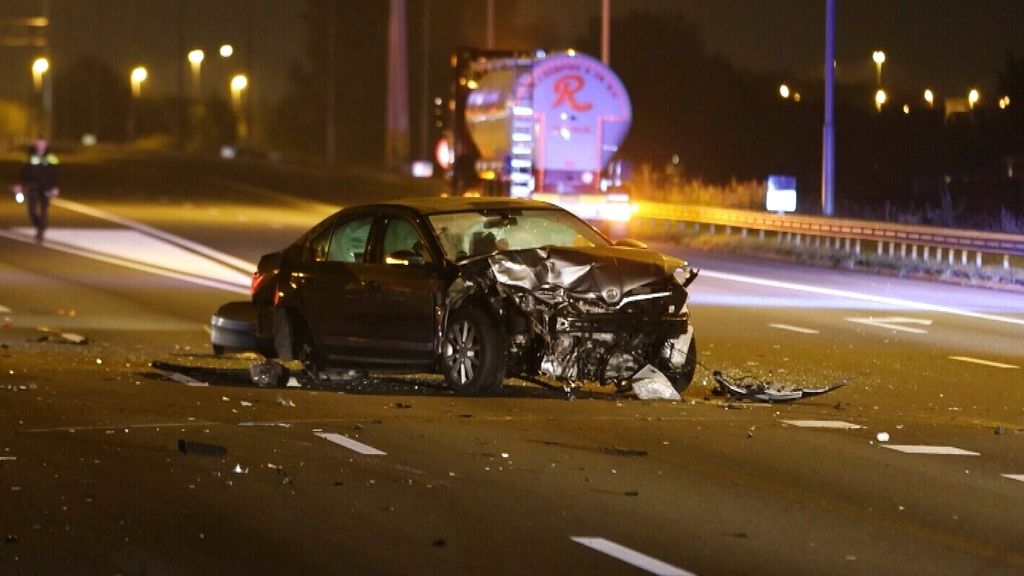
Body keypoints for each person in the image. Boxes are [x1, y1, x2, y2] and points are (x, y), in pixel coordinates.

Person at [13, 137, 59, 242]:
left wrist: (55, 187)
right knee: (31, 210)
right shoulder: (30, 156)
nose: (40, 145)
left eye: (42, 143)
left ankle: (41, 231)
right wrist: (19, 184)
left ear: (46, 144)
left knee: (44, 210)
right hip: (33, 186)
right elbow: (23, 172)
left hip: (46, 187)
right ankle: (39, 226)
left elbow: (55, 173)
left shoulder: (51, 157)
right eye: (38, 143)